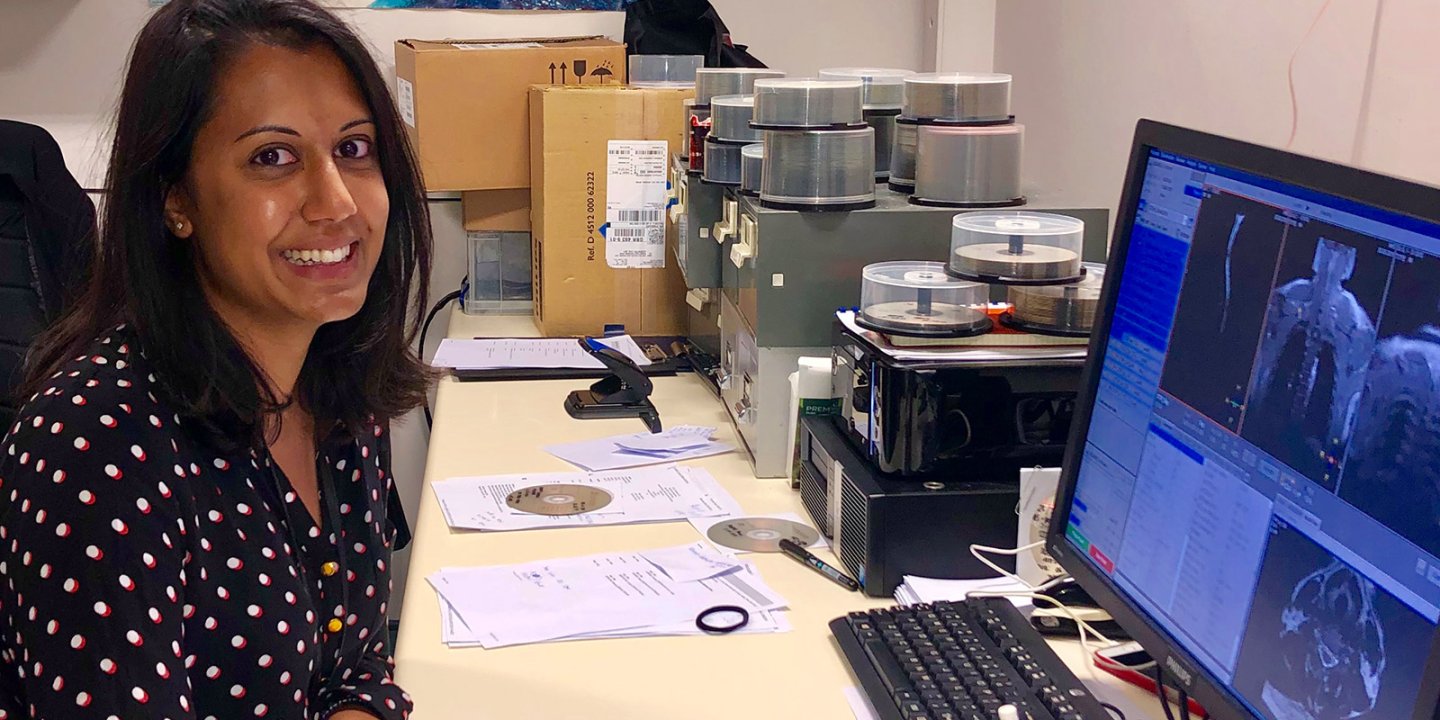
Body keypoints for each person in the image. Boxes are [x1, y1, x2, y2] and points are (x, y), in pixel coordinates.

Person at [0, 0, 433, 717]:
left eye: (354, 149)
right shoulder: (94, 445)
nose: (335, 202)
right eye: (273, 157)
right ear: (177, 199)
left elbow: (356, 669)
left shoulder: (341, 391)